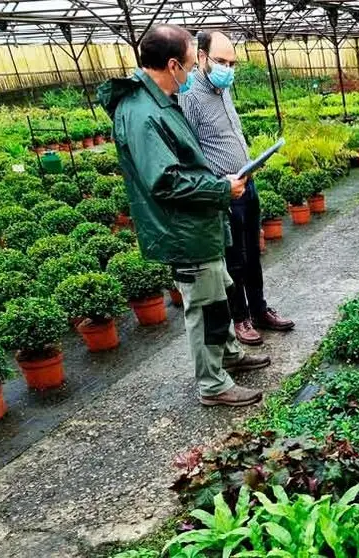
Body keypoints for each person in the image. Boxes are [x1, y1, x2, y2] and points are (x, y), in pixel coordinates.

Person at [97, 24, 270, 407]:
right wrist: (223, 189)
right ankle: (213, 384)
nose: (194, 73)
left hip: (200, 223)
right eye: (191, 66)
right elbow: (166, 182)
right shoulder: (141, 113)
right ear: (173, 64)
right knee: (204, 307)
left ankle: (227, 356)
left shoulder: (159, 102)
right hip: (183, 229)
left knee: (218, 293)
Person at [179, 30, 295, 346]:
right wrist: (218, 184)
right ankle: (240, 318)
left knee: (253, 253)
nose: (228, 69)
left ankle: (259, 309)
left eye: (232, 63)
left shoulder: (224, 89)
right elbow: (188, 153)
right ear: (201, 57)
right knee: (234, 259)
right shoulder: (189, 98)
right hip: (224, 192)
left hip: (247, 184)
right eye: (220, 61)